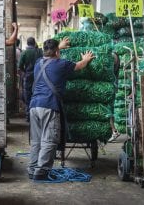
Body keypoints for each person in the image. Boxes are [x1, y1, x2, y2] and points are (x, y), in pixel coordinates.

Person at [27, 37, 94, 181]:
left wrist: (59, 47)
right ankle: (41, 171)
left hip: (34, 106)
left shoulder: (39, 62)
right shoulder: (61, 64)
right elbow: (79, 66)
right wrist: (86, 59)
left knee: (36, 141)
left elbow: (46, 54)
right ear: (57, 52)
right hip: (49, 106)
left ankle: (32, 169)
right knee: (49, 140)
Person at [19, 37, 43, 122]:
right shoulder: (39, 52)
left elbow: (20, 66)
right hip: (39, 76)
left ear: (27, 43)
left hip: (28, 76)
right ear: (34, 43)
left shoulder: (24, 53)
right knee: (38, 94)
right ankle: (38, 115)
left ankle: (28, 116)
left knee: (28, 96)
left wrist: (25, 72)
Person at [108, 52, 121, 142]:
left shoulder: (113, 55)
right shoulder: (114, 55)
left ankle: (114, 131)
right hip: (112, 86)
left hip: (110, 87)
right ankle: (113, 131)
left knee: (107, 110)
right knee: (109, 109)